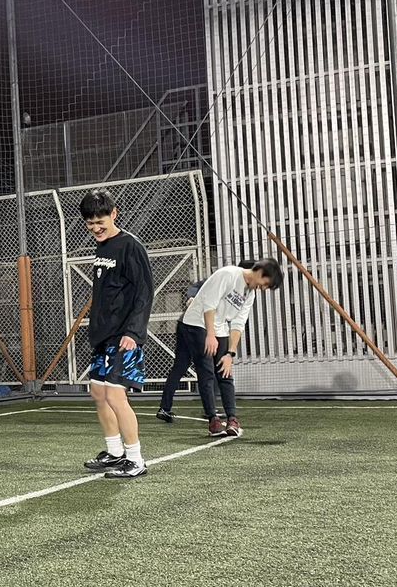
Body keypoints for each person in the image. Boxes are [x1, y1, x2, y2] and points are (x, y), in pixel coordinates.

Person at [157, 259, 283, 436]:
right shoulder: (228, 274)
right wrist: (209, 335)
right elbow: (209, 305)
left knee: (225, 372)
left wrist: (230, 354)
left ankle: (232, 419)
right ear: (260, 272)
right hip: (196, 323)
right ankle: (213, 420)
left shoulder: (250, 294)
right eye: (266, 283)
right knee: (206, 371)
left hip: (220, 327)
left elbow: (238, 323)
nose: (263, 288)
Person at [79, 187, 154, 478]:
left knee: (115, 395)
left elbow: (144, 292)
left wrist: (133, 332)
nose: (95, 228)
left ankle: (136, 460)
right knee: (98, 392)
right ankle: (115, 452)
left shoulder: (130, 246)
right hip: (104, 337)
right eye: (90, 223)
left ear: (114, 214)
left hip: (124, 337)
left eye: (100, 222)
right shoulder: (102, 248)